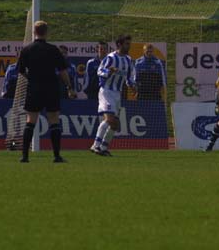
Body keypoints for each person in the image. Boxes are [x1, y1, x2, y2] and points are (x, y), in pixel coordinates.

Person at [15, 21, 76, 163]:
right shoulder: (53, 49)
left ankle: (25, 156)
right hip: (51, 87)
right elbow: (62, 71)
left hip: (34, 88)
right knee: (54, 120)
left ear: (34, 32)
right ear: (46, 32)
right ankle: (56, 155)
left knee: (30, 121)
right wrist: (69, 87)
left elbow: (21, 71)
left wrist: (32, 78)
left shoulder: (27, 50)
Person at [90, 34, 136, 156]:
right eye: (127, 44)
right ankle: (95, 145)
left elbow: (130, 76)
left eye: (129, 43)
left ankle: (103, 148)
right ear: (119, 44)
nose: (129, 46)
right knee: (110, 119)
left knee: (115, 124)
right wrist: (109, 71)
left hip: (117, 94)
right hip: (106, 91)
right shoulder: (110, 58)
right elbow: (99, 71)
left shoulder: (128, 60)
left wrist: (132, 85)